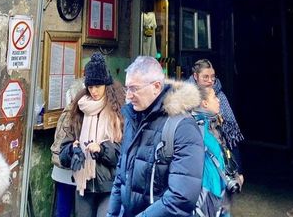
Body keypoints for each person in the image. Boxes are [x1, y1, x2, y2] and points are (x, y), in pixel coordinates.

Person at [107, 55, 204, 217]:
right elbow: (121, 176)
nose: (128, 96)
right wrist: (112, 214)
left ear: (156, 86)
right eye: (127, 88)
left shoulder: (182, 127)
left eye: (134, 89)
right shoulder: (133, 119)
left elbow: (181, 197)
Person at [59, 54, 124, 217]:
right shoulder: (79, 110)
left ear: (106, 85)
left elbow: (124, 152)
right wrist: (71, 150)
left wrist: (101, 150)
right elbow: (63, 153)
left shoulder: (117, 112)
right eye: (90, 86)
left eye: (98, 86)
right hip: (83, 186)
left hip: (109, 185)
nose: (94, 91)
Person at [191, 86, 243, 217]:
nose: (219, 100)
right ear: (205, 103)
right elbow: (211, 181)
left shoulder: (208, 127)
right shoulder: (202, 135)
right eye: (214, 97)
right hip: (211, 203)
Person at [189, 60, 243, 166]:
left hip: (221, 149)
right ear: (195, 76)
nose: (210, 81)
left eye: (212, 77)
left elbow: (230, 133)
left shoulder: (219, 95)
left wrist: (237, 169)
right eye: (205, 77)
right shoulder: (186, 96)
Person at [50, 79, 84, 217]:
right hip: (69, 170)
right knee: (67, 209)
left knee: (62, 209)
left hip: (61, 169)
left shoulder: (67, 112)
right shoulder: (75, 114)